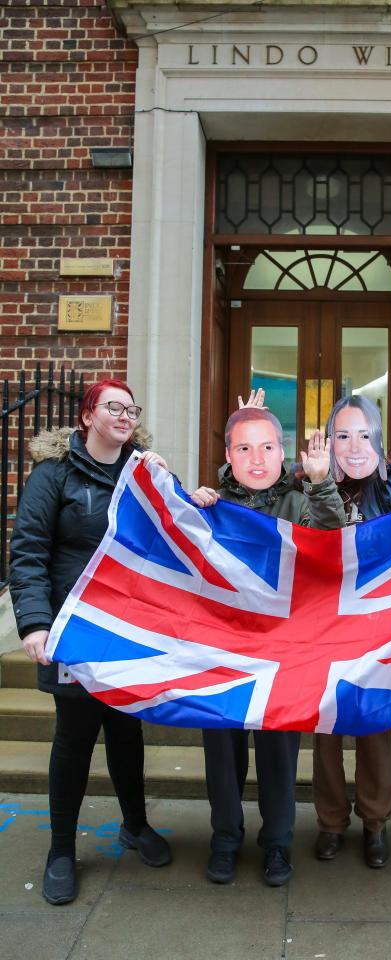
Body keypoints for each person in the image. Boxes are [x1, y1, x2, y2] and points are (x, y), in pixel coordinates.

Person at [9, 379, 172, 906]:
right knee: (75, 737)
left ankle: (134, 825)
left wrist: (196, 496)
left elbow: (176, 536)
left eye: (131, 408)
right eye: (113, 407)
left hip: (128, 628)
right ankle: (60, 851)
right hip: (72, 628)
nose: (125, 415)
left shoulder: (144, 471)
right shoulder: (53, 474)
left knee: (128, 731)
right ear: (87, 416)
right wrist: (34, 623)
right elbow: (28, 550)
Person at [191, 406, 344, 887]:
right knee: (222, 749)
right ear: (228, 455)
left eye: (267, 447)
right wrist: (183, 504)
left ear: (283, 452)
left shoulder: (302, 503)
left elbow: (336, 542)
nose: (257, 459)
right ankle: (225, 837)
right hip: (222, 651)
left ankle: (278, 843)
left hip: (284, 652)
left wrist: (320, 484)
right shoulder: (208, 504)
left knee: (279, 752)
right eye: (244, 448)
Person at [312, 394, 391, 869]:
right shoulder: (308, 483)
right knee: (326, 731)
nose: (353, 445)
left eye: (364, 435)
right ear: (329, 441)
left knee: (374, 728)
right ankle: (331, 822)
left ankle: (376, 822)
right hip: (322, 626)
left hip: (376, 629)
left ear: (378, 438)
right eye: (342, 435)